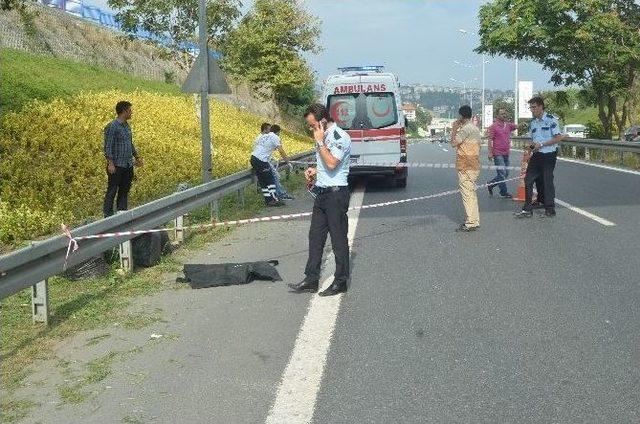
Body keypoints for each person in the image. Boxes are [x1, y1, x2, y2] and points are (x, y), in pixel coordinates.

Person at [289, 103, 351, 296]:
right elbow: (326, 165)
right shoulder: (322, 136)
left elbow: (332, 163)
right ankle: (311, 279)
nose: (310, 129)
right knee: (315, 237)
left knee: (338, 240)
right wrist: (315, 171)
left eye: (312, 125)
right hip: (322, 194)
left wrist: (319, 142)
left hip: (336, 194)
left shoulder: (340, 137)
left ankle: (340, 281)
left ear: (322, 121)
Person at [515, 96, 566, 218]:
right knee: (528, 180)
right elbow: (533, 140)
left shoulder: (551, 120)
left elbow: (557, 137)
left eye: (534, 107)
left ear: (541, 107)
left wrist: (541, 144)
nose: (532, 110)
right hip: (536, 155)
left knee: (547, 180)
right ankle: (527, 209)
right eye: (531, 108)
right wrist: (529, 150)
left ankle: (550, 209)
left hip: (549, 155)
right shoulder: (533, 123)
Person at [103, 101, 143, 217]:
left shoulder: (126, 125)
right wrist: (110, 163)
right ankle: (108, 216)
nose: (132, 112)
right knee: (112, 190)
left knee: (124, 191)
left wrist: (137, 156)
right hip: (116, 165)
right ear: (124, 111)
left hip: (128, 164)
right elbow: (108, 146)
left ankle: (121, 215)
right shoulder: (112, 126)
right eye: (130, 110)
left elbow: (130, 143)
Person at [451, 105, 482, 232]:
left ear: (461, 116)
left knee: (467, 194)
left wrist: (454, 128)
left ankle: (471, 223)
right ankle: (474, 220)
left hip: (465, 165)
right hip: (474, 164)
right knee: (472, 194)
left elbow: (453, 143)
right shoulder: (475, 128)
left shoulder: (465, 129)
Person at [250, 123, 290, 206]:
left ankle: (268, 201)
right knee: (270, 180)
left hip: (253, 158)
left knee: (263, 181)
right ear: (277, 132)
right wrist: (287, 162)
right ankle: (274, 199)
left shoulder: (264, 136)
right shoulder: (275, 137)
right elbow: (281, 151)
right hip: (261, 160)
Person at [486, 107, 517, 198]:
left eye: (505, 113)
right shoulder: (493, 127)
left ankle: (491, 184)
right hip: (497, 153)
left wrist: (524, 124)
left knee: (506, 173)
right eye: (502, 114)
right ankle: (503, 192)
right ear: (497, 115)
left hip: (506, 153)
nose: (505, 115)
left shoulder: (508, 125)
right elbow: (490, 140)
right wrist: (490, 152)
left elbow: (517, 126)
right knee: (502, 173)